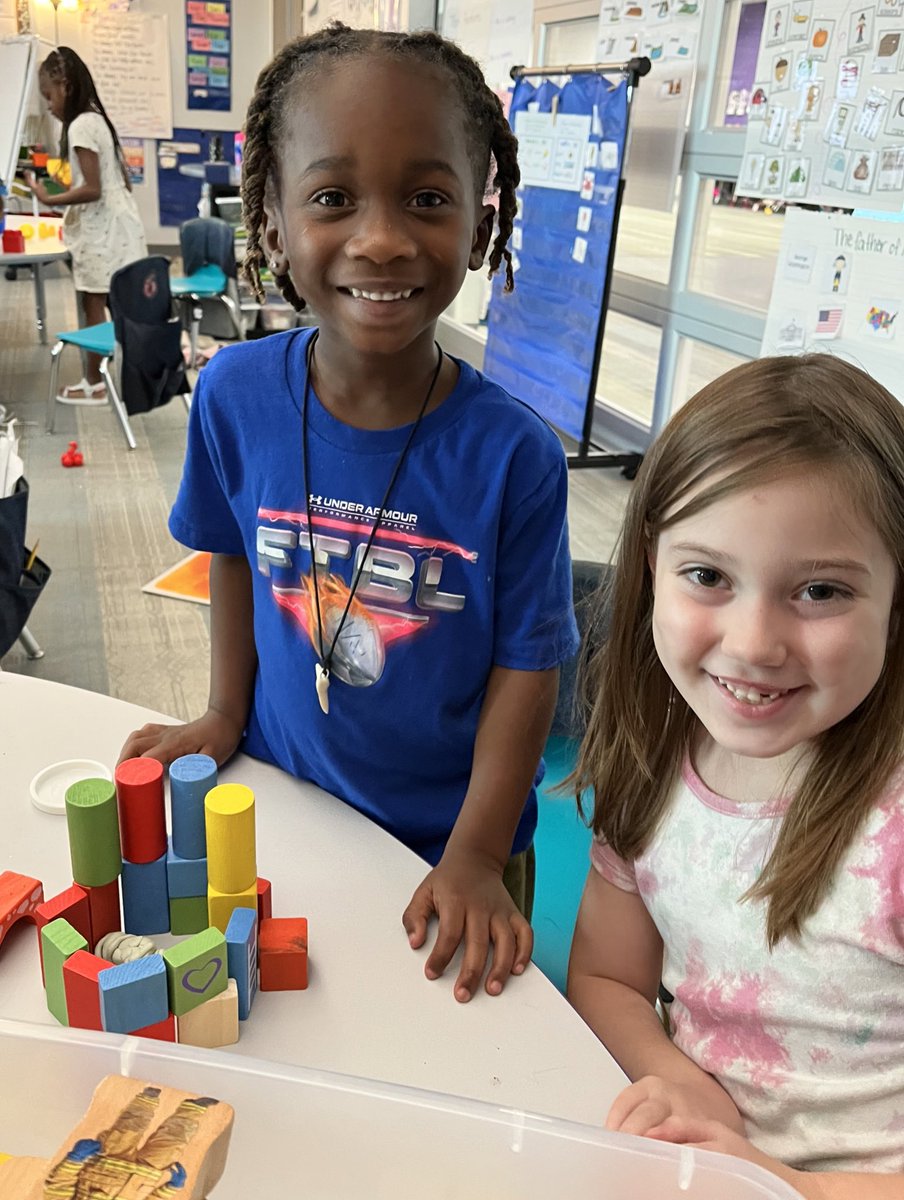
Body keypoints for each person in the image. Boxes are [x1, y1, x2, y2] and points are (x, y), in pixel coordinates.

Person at [119, 25, 579, 1004]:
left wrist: (475, 855)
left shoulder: (516, 457)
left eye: (427, 198)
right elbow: (232, 554)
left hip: (453, 850)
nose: (381, 239)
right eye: (333, 198)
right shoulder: (234, 395)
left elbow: (529, 668)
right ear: (273, 225)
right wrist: (224, 712)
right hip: (289, 807)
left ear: (481, 222)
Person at [567, 354, 904, 1196]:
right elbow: (606, 976)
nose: (753, 644)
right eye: (708, 576)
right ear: (652, 566)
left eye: (820, 591)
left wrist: (792, 1185)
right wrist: (677, 1079)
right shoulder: (654, 759)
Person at [24, 47, 147, 404]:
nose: (49, 106)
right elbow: (114, 181)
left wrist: (48, 199)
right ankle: (121, 376)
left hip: (102, 232)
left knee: (93, 301)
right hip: (119, 226)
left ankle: (94, 383)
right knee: (118, 302)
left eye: (49, 96)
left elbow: (92, 189)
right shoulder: (96, 119)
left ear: (64, 86)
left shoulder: (80, 125)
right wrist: (62, 188)